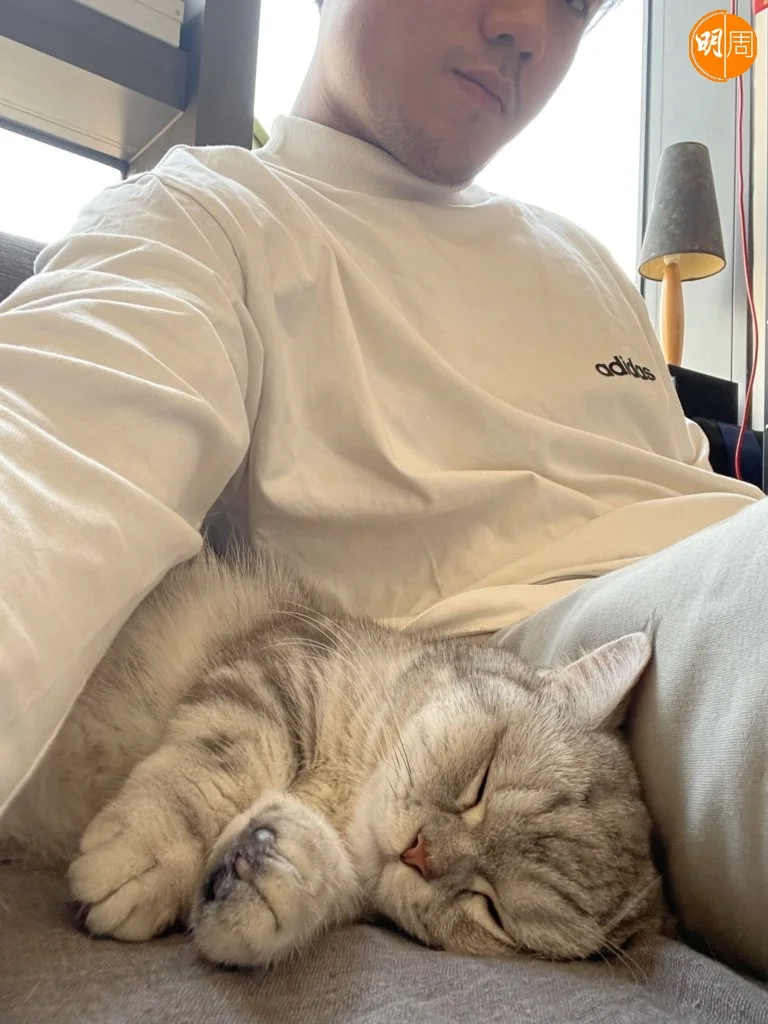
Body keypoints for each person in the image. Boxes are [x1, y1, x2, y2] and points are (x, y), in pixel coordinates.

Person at [0, 0, 765, 979]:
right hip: (527, 686)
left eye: (577, 2)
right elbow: (49, 461)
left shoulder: (589, 261)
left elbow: (691, 497)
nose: (528, 27)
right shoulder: (208, 214)